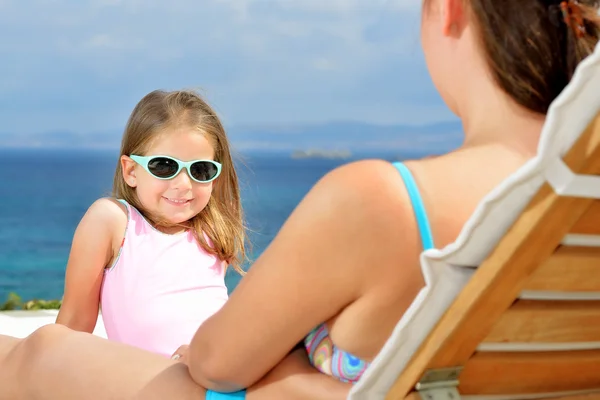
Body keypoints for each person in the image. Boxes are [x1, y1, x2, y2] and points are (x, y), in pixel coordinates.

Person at [1, 0, 599, 399]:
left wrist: (288, 362)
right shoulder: (580, 205)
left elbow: (216, 362)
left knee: (43, 352)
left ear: (448, 13)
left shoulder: (384, 200)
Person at [55, 89, 246, 357]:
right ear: (131, 171)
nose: (183, 184)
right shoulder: (111, 223)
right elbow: (72, 329)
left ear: (214, 176)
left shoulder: (212, 234)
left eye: (200, 170)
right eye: (164, 166)